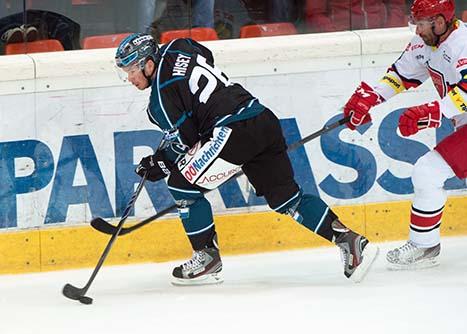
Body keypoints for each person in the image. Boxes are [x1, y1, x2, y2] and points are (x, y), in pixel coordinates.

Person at [114, 33, 379, 285]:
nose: (129, 78)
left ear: (148, 63)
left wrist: (159, 162)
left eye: (131, 71)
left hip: (232, 131)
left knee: (182, 185)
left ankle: (207, 258)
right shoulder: (180, 45)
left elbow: (185, 138)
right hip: (261, 117)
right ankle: (347, 239)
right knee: (286, 199)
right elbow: (206, 57)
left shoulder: (159, 99)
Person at [342, 0, 466, 269]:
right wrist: (371, 98)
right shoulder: (425, 43)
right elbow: (399, 75)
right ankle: (425, 245)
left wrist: (436, 110)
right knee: (428, 172)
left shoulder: (463, 43)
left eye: (422, 24)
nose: (417, 30)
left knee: (428, 171)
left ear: (440, 21)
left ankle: (424, 245)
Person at [305, 0, 407, 32]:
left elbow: (396, 5)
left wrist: (390, 33)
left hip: (381, 34)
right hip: (341, 38)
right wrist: (338, 37)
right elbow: (315, 13)